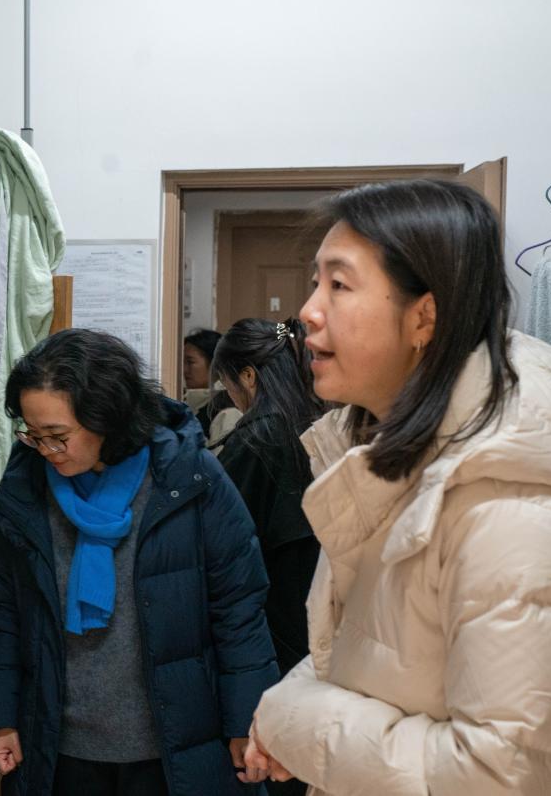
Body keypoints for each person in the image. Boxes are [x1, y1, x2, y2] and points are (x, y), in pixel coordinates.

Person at [243, 180, 551, 794]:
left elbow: (498, 774)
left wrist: (298, 724)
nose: (307, 311)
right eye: (315, 283)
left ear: (423, 317)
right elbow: (373, 647)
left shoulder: (505, 501)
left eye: (339, 285)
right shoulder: (382, 450)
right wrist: (290, 705)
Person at [0, 328, 278, 796]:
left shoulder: (189, 479)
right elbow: (8, 616)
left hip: (174, 749)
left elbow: (239, 611)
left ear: (107, 417)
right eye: (33, 435)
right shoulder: (24, 490)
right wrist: (2, 719)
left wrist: (247, 721)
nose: (46, 451)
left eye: (57, 436)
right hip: (59, 750)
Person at [212, 317, 323, 796]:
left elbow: (222, 546)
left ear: (248, 376)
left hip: (271, 626)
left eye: (227, 383)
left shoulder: (255, 440)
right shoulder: (319, 426)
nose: (230, 395)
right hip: (316, 620)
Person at [183, 328, 241, 447]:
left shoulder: (227, 411)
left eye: (190, 362)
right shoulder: (186, 404)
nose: (184, 369)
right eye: (182, 362)